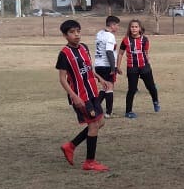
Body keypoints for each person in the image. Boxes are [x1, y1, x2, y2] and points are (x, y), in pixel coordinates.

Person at [56, 19, 109, 172]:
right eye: (72, 32)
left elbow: (88, 67)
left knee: (100, 123)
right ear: (65, 36)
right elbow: (61, 78)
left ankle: (70, 146)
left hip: (92, 92)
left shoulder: (84, 48)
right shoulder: (64, 54)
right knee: (93, 125)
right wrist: (73, 96)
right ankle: (89, 162)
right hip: (81, 96)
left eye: (78, 31)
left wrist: (99, 77)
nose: (76, 35)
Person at [116, 19, 160, 118]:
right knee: (131, 89)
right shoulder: (125, 40)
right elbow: (120, 53)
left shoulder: (145, 39)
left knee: (151, 87)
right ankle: (128, 111)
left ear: (140, 28)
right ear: (129, 28)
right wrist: (117, 66)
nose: (134, 29)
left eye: (136, 27)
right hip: (132, 68)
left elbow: (146, 53)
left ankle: (155, 101)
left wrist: (148, 64)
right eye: (132, 27)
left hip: (144, 67)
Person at [93, 15, 122, 118]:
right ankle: (108, 113)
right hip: (106, 65)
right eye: (117, 25)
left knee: (104, 87)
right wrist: (113, 67)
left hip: (98, 65)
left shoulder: (99, 33)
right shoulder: (110, 36)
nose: (118, 28)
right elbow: (109, 51)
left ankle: (94, 108)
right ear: (112, 25)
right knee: (109, 88)